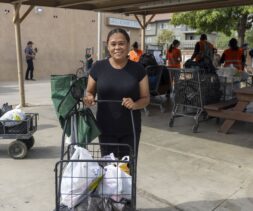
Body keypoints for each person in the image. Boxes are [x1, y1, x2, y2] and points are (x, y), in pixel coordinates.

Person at [83, 28, 150, 158]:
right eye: (113, 44)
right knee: (109, 170)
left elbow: (146, 98)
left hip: (130, 129)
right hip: (105, 128)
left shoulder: (138, 69)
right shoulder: (98, 67)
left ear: (128, 45)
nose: (117, 47)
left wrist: (135, 104)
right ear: (108, 46)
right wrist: (89, 97)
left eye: (121, 43)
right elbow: (90, 91)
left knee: (127, 170)